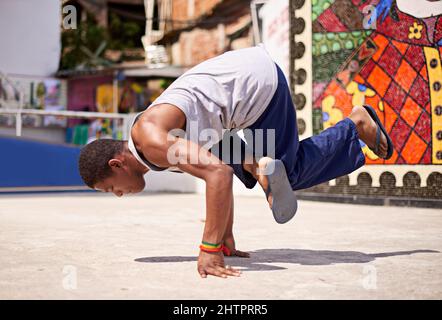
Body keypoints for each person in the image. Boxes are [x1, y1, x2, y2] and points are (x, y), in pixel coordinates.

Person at [78, 45, 393, 279]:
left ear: (118, 165)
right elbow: (218, 161)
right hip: (237, 101)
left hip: (256, 91)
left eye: (111, 189)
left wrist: (209, 250)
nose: (119, 195)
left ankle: (356, 125)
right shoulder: (153, 145)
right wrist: (225, 238)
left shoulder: (153, 141)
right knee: (244, 164)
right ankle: (257, 165)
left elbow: (216, 175)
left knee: (290, 174)